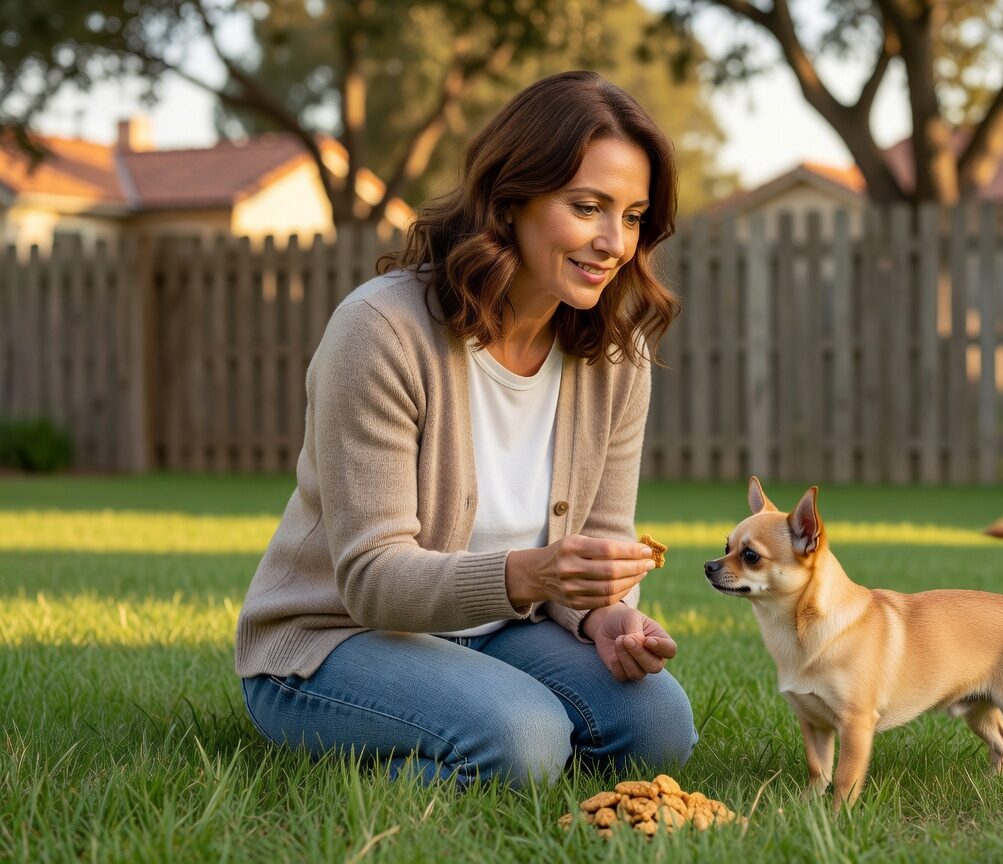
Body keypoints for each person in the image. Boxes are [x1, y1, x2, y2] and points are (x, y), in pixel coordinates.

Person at [235, 71, 695, 787]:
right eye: (588, 207)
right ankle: (433, 757)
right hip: (334, 640)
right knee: (527, 738)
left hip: (498, 635)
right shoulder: (381, 331)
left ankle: (472, 724)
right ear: (511, 201)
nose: (614, 242)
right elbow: (372, 580)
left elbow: (600, 548)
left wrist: (605, 618)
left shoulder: (614, 356)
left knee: (658, 728)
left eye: (633, 216)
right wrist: (530, 574)